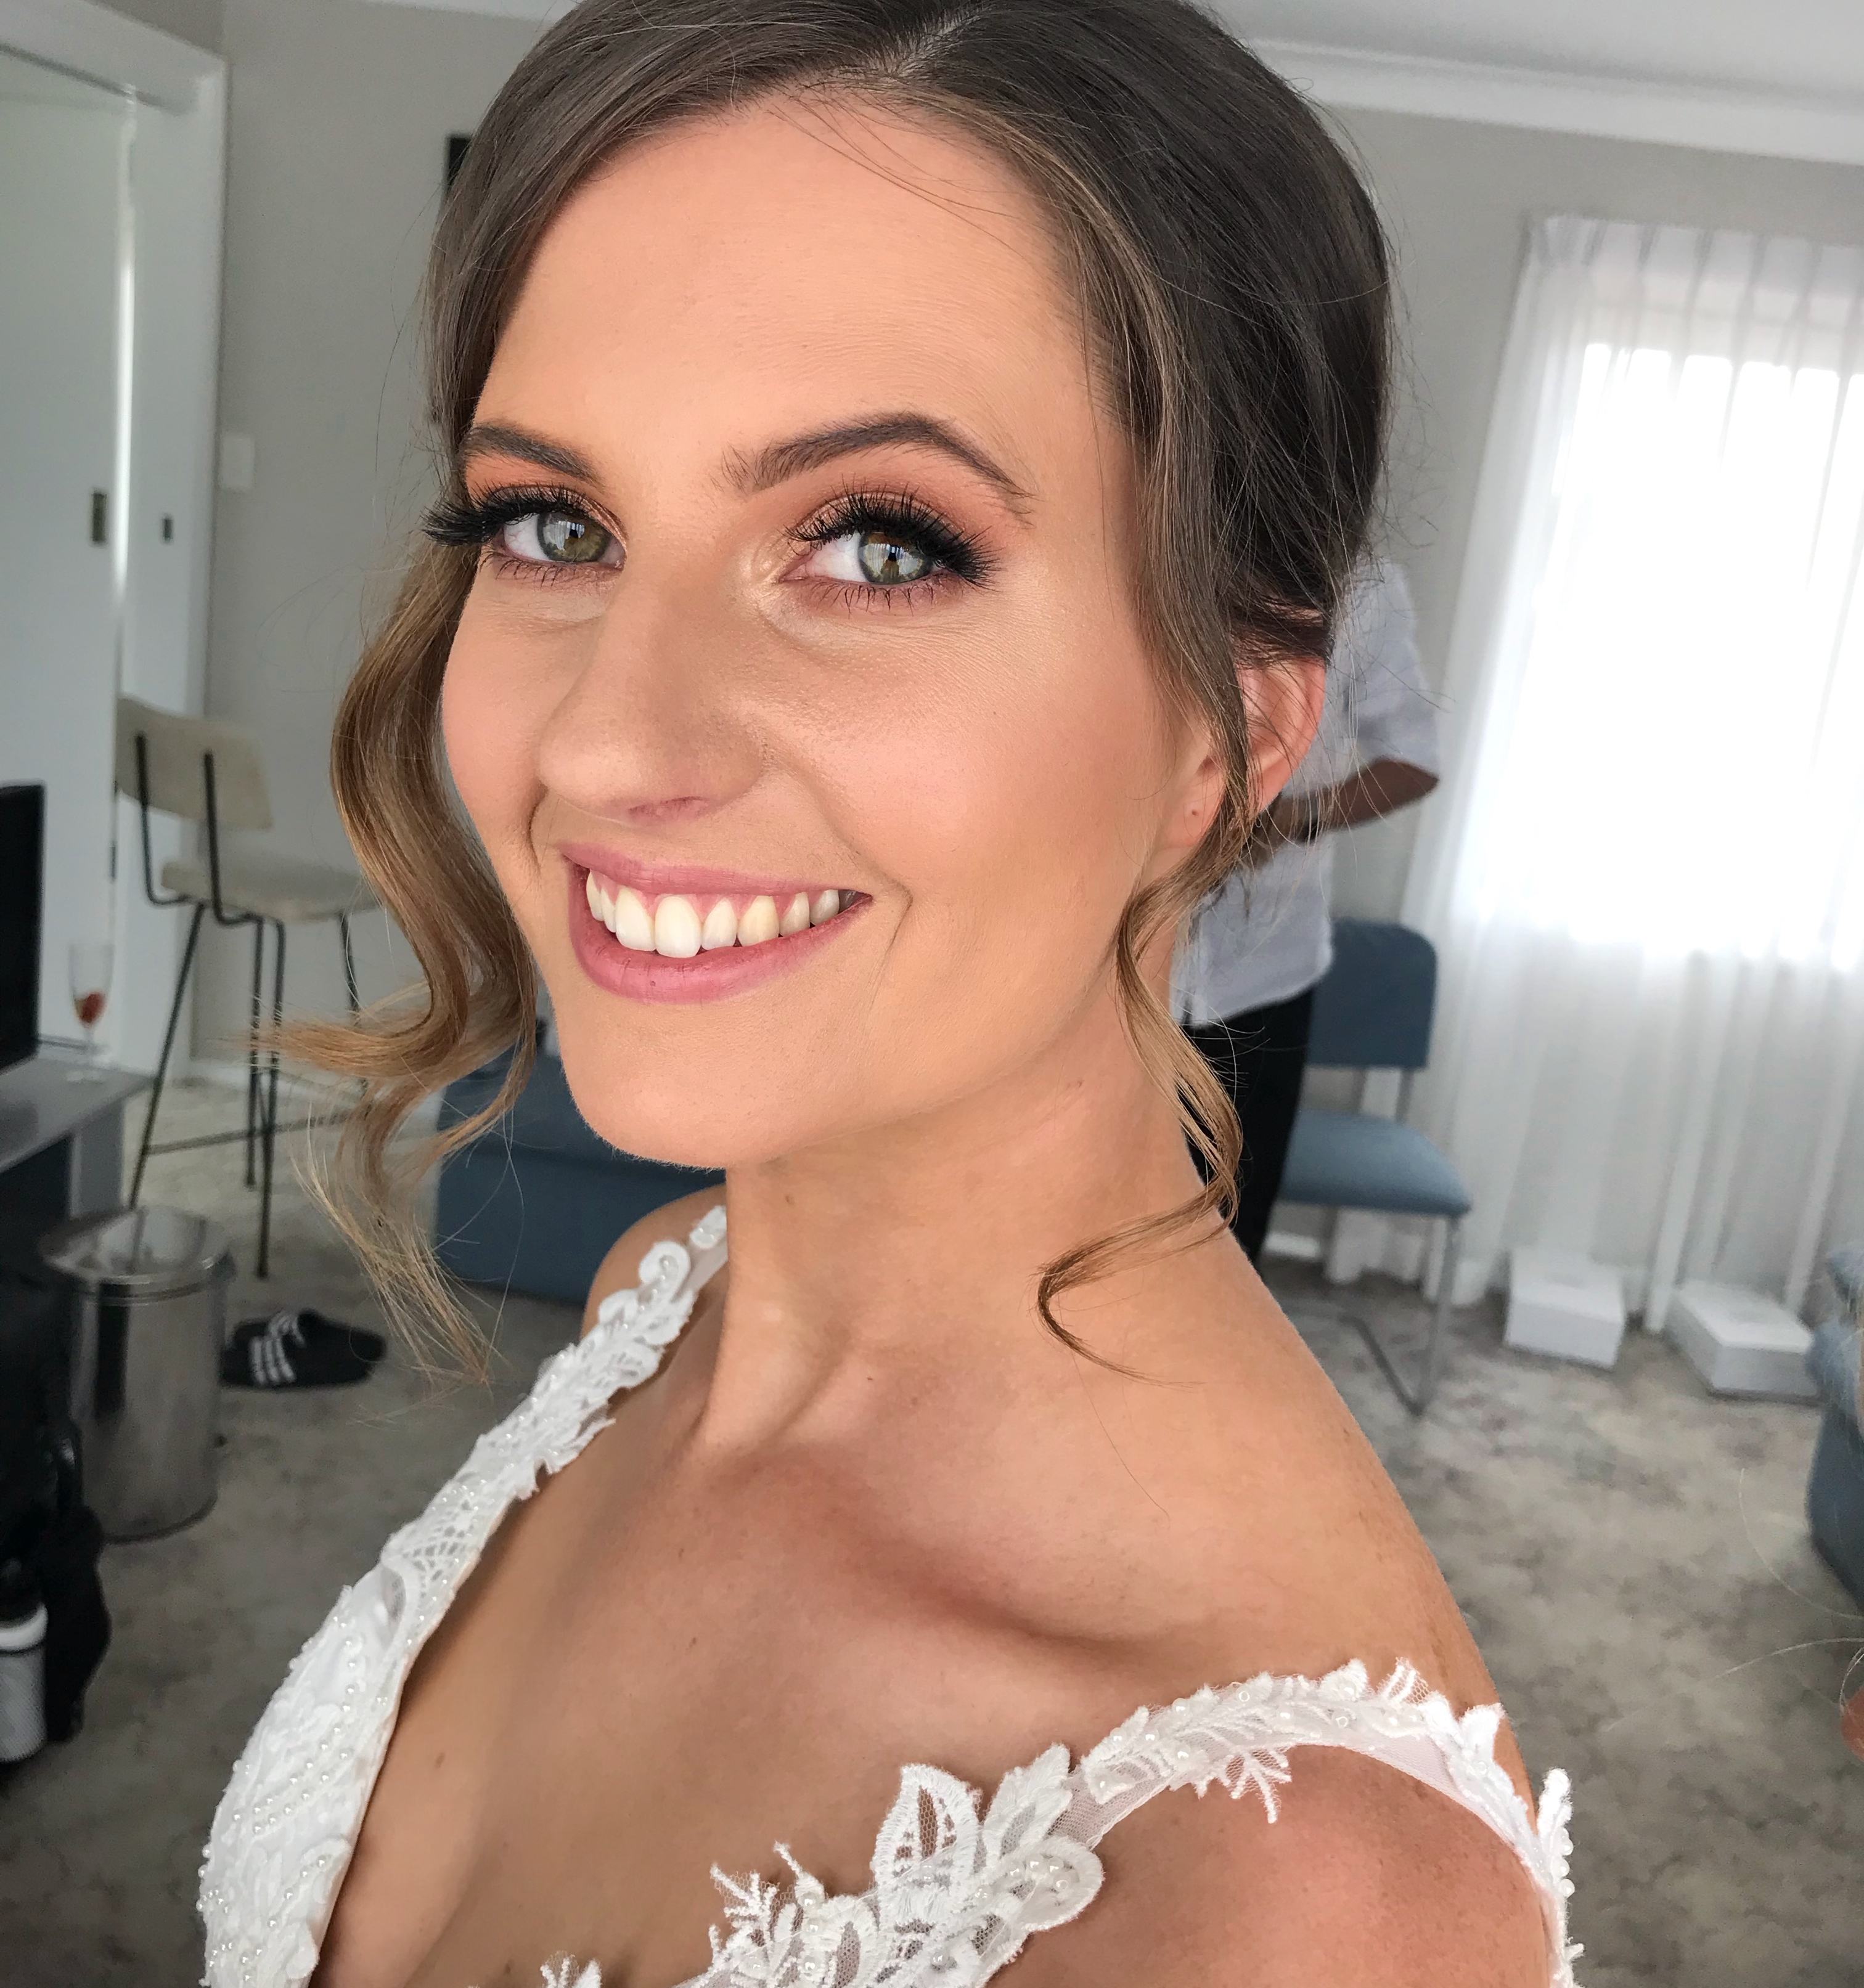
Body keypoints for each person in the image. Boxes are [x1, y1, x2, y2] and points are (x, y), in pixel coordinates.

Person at [198, 6, 1579, 1986]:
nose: (606, 743)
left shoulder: (1297, 1907)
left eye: (874, 545)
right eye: (554, 525)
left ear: (1232, 733)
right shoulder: (665, 1294)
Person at [1178, 561, 1442, 1260]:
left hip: (1263, 975)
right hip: (1117, 968)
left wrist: (1302, 816)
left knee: (1232, 1234)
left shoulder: (1365, 589)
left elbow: (1414, 759)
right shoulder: (1148, 536)